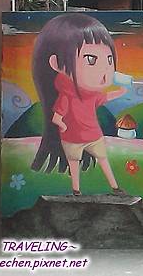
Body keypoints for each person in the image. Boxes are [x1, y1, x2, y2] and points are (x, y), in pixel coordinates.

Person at [31, 13, 127, 196]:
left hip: (93, 135)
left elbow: (104, 98)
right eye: (91, 60)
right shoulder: (66, 96)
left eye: (109, 60)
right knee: (74, 163)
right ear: (56, 64)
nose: (105, 71)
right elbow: (57, 117)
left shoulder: (91, 94)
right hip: (72, 138)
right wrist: (62, 125)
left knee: (103, 159)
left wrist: (120, 92)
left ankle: (115, 187)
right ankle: (76, 189)